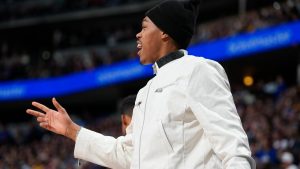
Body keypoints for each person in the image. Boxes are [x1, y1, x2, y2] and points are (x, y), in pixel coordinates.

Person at [26, 0, 256, 168]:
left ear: (165, 32)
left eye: (144, 27)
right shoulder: (145, 93)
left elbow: (233, 146)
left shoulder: (198, 70)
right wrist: (72, 130)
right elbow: (128, 154)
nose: (138, 35)